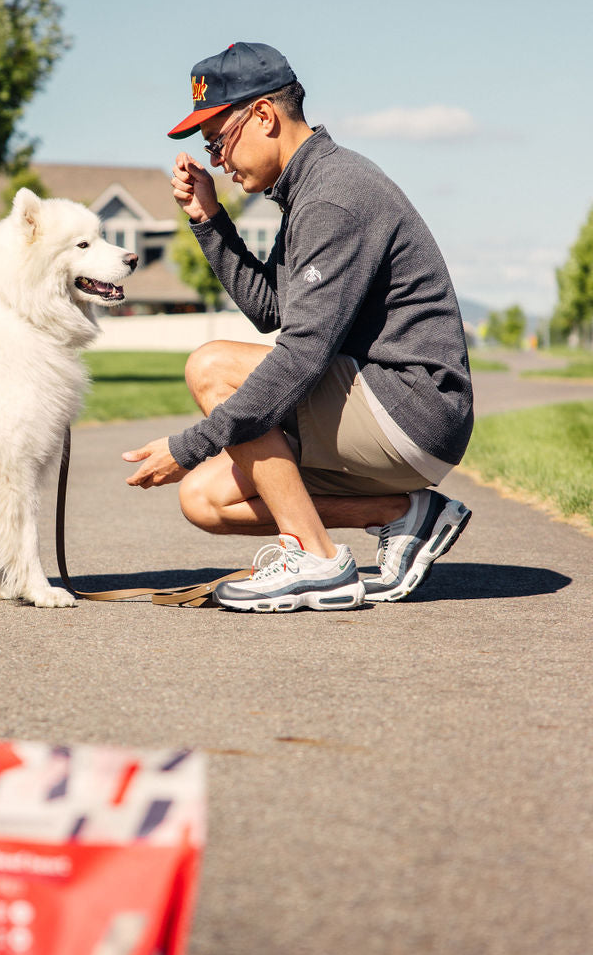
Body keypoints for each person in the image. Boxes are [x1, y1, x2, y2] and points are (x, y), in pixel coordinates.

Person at [123, 41, 474, 612]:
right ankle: (405, 514)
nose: (215, 159)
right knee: (205, 500)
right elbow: (272, 309)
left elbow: (299, 357)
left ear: (262, 116)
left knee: (212, 366)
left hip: (410, 408)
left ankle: (316, 561)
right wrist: (210, 221)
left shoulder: (335, 195)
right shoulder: (307, 191)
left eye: (217, 139)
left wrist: (189, 445)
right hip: (383, 414)